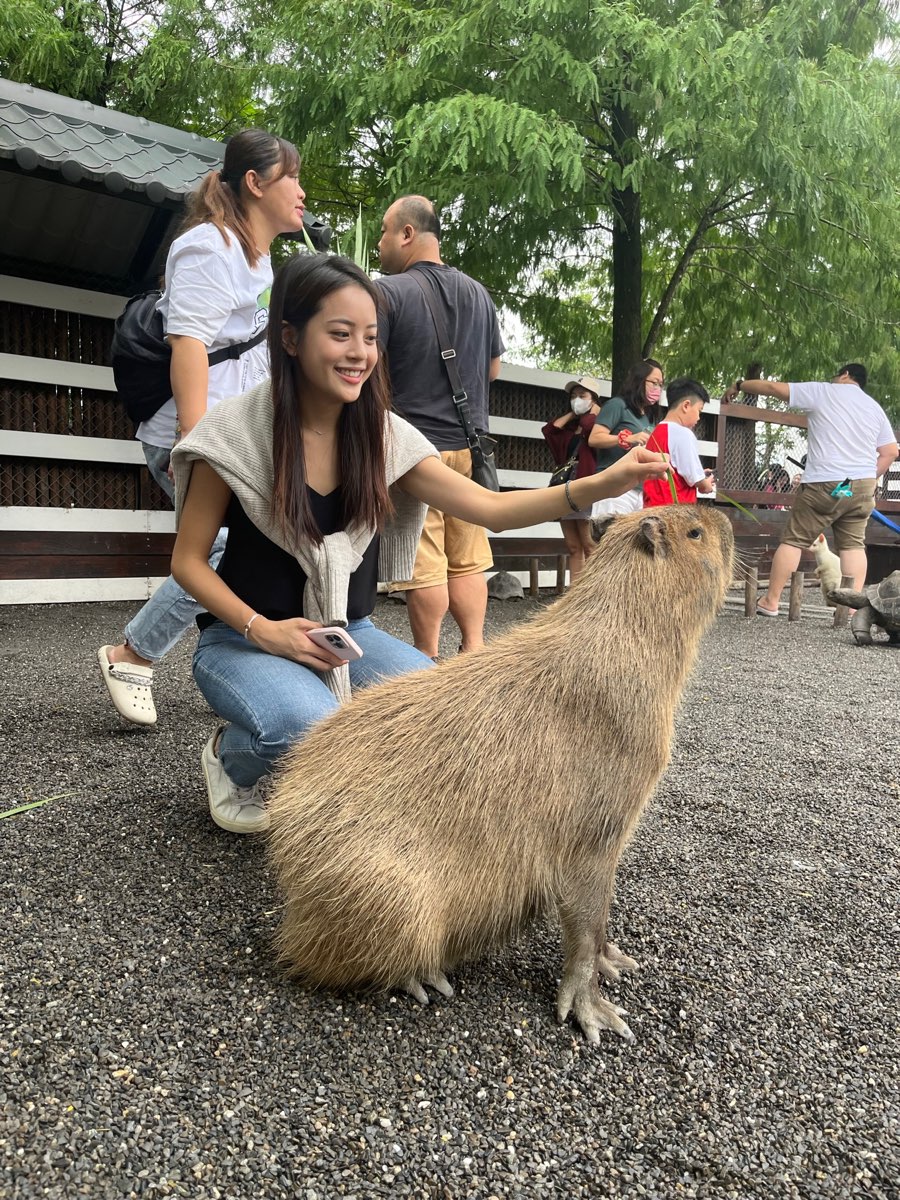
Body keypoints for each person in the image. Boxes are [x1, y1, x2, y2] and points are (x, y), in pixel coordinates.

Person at [169, 254, 669, 834]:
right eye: (340, 334)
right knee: (311, 727)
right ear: (290, 338)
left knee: (440, 711)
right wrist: (263, 630)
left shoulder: (382, 435)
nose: (359, 353)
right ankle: (231, 755)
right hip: (244, 639)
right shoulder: (234, 436)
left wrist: (604, 483)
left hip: (346, 633)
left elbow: (492, 511)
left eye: (370, 338)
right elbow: (187, 562)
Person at [97, 129, 306, 725]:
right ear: (255, 183)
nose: (301, 191)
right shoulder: (208, 247)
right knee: (218, 548)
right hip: (193, 437)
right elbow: (188, 345)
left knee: (253, 544)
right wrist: (193, 444)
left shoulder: (257, 259)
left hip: (233, 437)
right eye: (291, 177)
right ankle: (133, 654)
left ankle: (252, 660)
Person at [374, 195, 504, 661]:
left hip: (415, 450)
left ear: (407, 234)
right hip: (470, 448)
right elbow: (493, 370)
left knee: (425, 560)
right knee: (467, 557)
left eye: (385, 231)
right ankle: (474, 651)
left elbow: (368, 366)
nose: (380, 242)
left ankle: (426, 658)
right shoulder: (479, 294)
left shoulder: (387, 293)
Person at [723, 365, 898, 617]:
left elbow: (772, 387)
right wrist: (867, 478)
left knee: (794, 539)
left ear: (845, 375)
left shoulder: (823, 391)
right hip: (858, 487)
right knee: (853, 545)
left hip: (825, 482)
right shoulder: (874, 408)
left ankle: (771, 601)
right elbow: (890, 452)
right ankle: (851, 609)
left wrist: (739, 385)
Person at [541, 375, 604, 580]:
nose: (577, 399)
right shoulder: (571, 426)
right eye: (573, 396)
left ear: (594, 398)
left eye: (582, 395)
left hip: (586, 486)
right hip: (566, 487)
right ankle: (575, 590)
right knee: (573, 545)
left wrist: (595, 411)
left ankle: (592, 590)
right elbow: (550, 431)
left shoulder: (599, 424)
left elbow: (589, 427)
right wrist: (572, 413)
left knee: (589, 544)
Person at [588, 358, 664, 515]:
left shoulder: (648, 417)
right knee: (610, 531)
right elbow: (594, 438)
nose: (658, 389)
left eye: (661, 384)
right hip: (613, 486)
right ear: (639, 380)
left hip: (637, 490)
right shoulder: (617, 405)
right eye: (654, 382)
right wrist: (626, 438)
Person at [643, 378, 715, 506]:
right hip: (675, 511)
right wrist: (707, 484)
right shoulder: (683, 434)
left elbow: (679, 470)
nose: (699, 417)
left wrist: (699, 473)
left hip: (652, 507)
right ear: (686, 406)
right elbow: (698, 482)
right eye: (699, 410)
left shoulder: (656, 432)